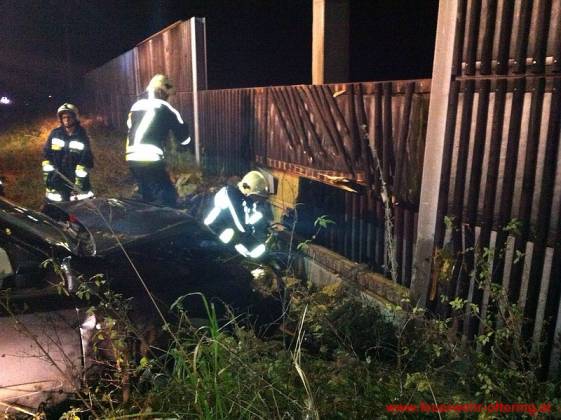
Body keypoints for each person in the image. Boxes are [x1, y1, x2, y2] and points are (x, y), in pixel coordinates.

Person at [126, 74, 191, 207]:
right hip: (150, 157)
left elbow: (129, 126)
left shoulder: (136, 105)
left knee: (147, 195)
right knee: (168, 194)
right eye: (168, 95)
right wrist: (186, 130)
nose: (169, 99)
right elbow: (184, 139)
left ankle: (147, 213)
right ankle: (169, 215)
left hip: (131, 157)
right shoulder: (166, 108)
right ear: (162, 92)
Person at [203, 170, 273, 259]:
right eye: (258, 196)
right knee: (247, 246)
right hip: (214, 230)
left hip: (229, 227)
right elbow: (240, 224)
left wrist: (267, 227)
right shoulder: (232, 196)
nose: (259, 200)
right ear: (250, 193)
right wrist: (252, 239)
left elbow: (251, 216)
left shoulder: (245, 199)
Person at [42, 103, 94, 202]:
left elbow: (87, 159)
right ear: (60, 119)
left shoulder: (81, 135)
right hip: (58, 178)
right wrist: (48, 179)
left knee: (81, 205)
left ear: (75, 118)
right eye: (64, 117)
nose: (66, 119)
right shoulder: (55, 134)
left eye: (69, 117)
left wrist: (79, 183)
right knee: (56, 205)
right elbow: (47, 155)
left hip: (76, 180)